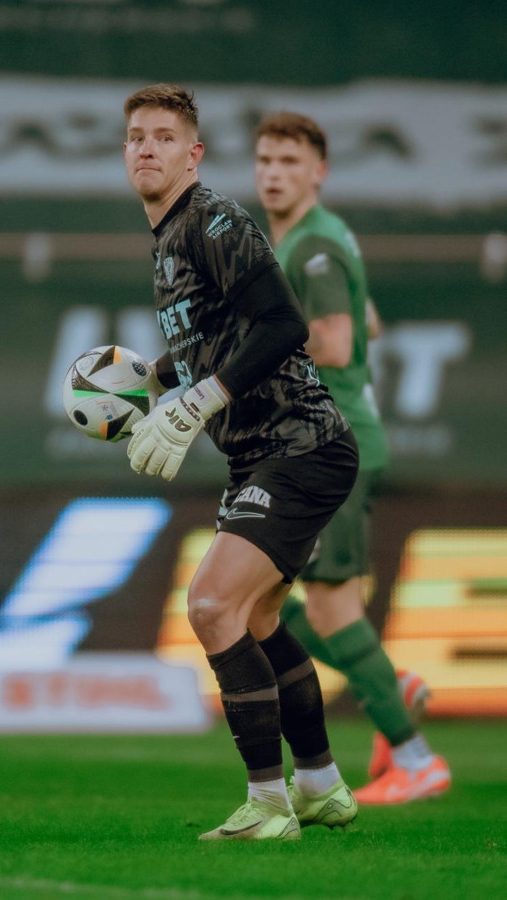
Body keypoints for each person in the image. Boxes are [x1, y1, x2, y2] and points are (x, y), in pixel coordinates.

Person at [123, 84, 360, 841]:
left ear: (193, 154)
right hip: (267, 454)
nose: (147, 148)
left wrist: (200, 399)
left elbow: (286, 323)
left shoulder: (212, 220)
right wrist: (155, 376)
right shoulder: (170, 236)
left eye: (164, 137)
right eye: (136, 137)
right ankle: (319, 785)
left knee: (210, 606)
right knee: (256, 619)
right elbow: (216, 332)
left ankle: (267, 804)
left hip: (300, 445)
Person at [254, 110, 451, 804]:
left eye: (289, 161)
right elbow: (367, 322)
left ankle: (416, 758)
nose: (274, 173)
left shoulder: (313, 245)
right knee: (259, 603)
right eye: (265, 160)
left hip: (331, 446)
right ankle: (388, 682)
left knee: (330, 609)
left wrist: (249, 345)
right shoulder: (318, 238)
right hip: (313, 442)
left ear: (319, 172)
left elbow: (337, 343)